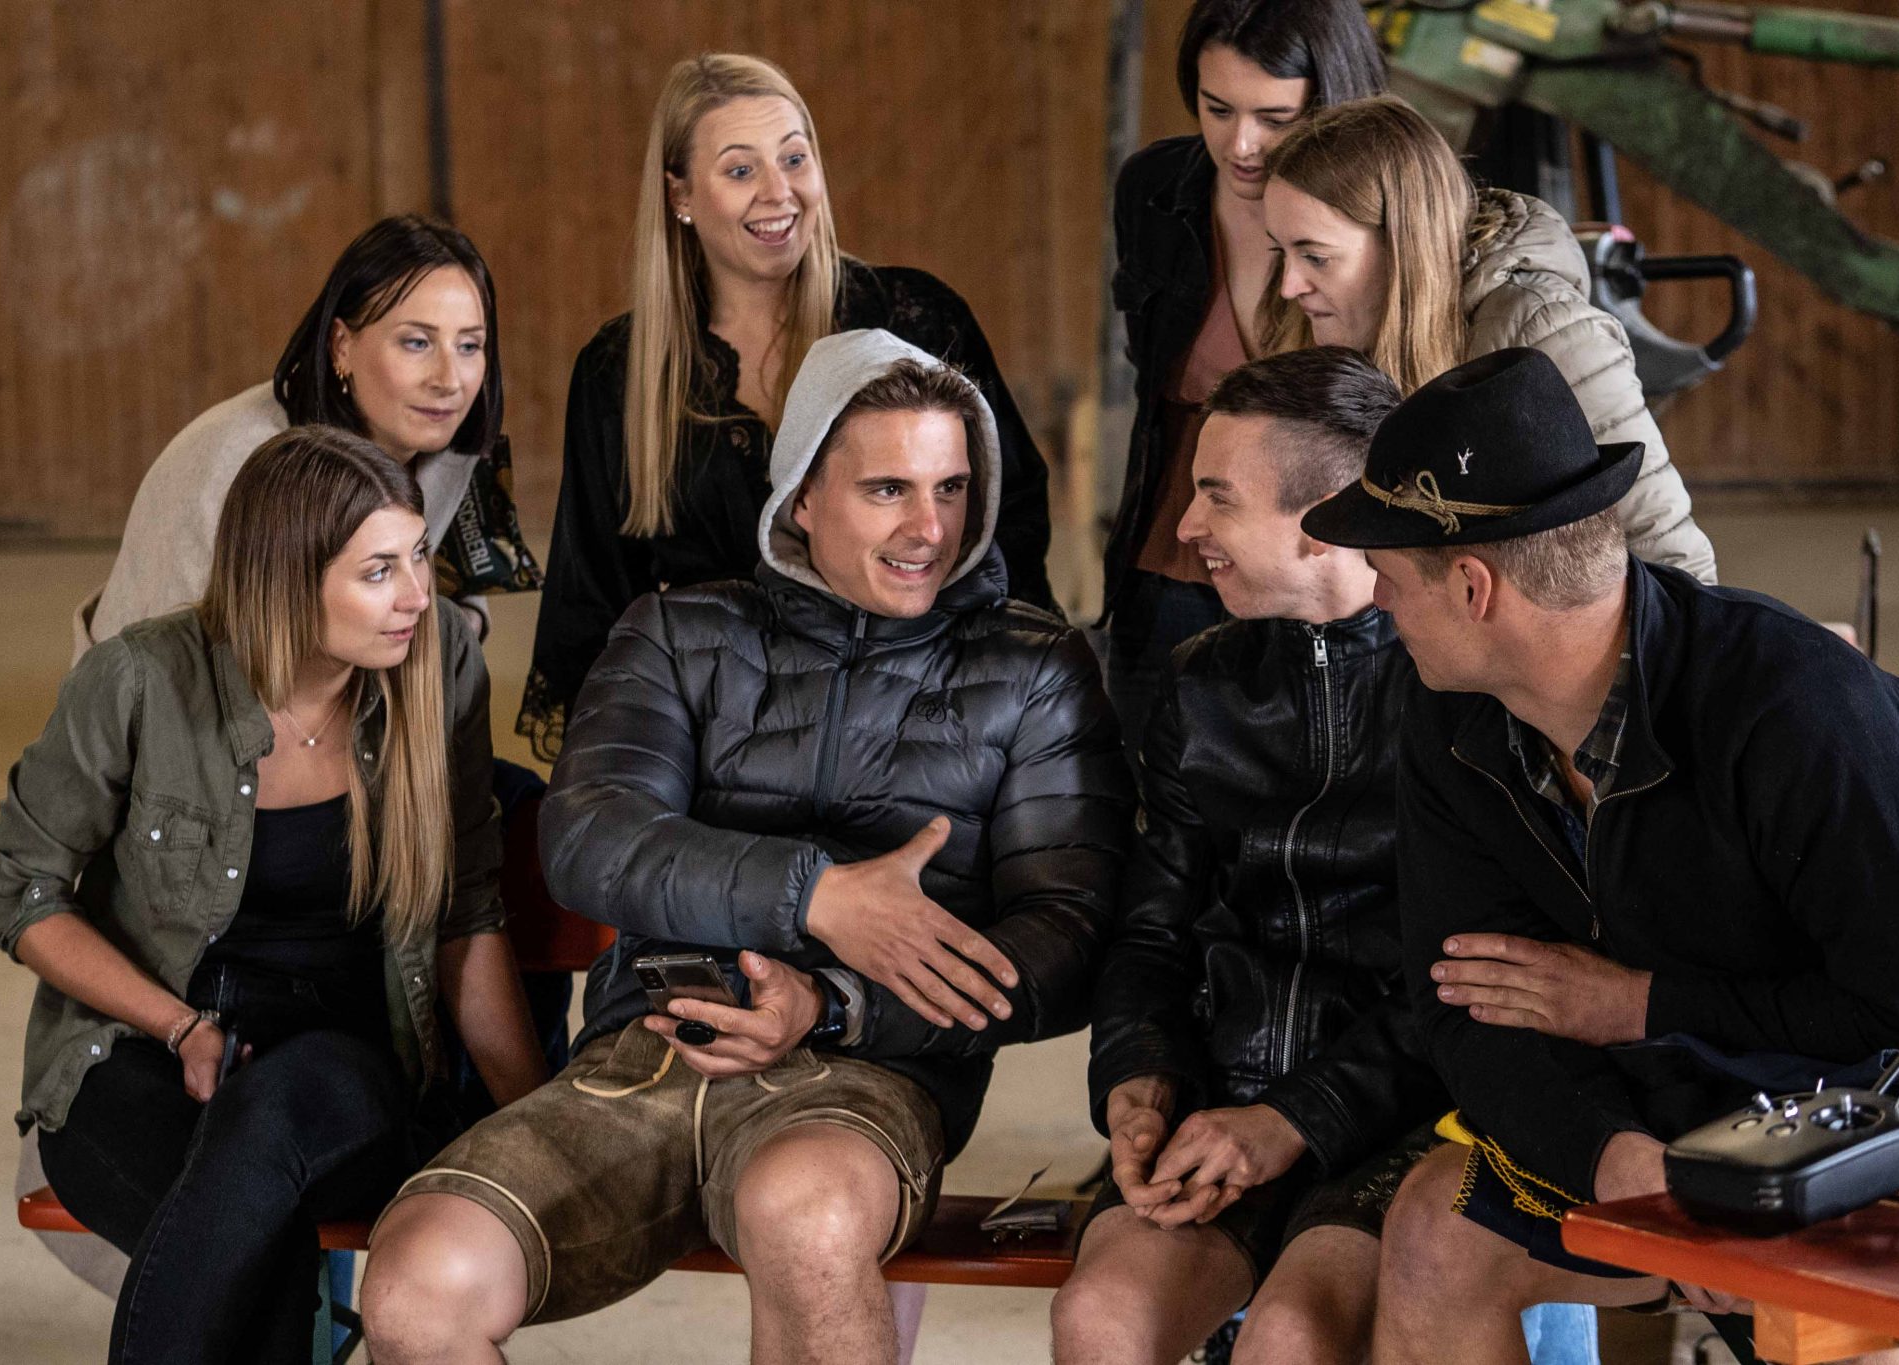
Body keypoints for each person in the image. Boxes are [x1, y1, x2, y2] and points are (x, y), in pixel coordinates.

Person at [360, 331, 1130, 1365]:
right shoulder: (677, 633)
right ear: (802, 496)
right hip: (643, 1057)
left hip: (863, 1081)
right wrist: (815, 897)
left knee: (804, 1216)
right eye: (889, 490)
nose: (929, 528)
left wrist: (837, 1002)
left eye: (951, 488)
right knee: (415, 1283)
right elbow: (588, 836)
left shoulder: (1033, 669)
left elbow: (1066, 932)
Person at [1294, 348, 1899, 1365]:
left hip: (1852, 1123)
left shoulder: (1800, 709)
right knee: (1436, 1233)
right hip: (1640, 1120)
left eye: (1389, 576)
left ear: (1473, 586)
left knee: (1821, 1324)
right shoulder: (1449, 716)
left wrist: (1644, 1006)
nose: (1377, 604)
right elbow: (1464, 1008)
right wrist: (1614, 1157)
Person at [0, 427, 549, 1364]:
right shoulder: (141, 679)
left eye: (417, 557)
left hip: (340, 1066)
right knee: (257, 1255)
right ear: (285, 580)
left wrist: (541, 1128)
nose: (416, 595)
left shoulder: (437, 667)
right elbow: (18, 886)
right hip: (140, 1051)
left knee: (264, 1135)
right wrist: (180, 1028)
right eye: (379, 571)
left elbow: (466, 914)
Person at [1057, 348, 1443, 1365]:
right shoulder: (1200, 683)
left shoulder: (1460, 691)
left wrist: (1294, 1118)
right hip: (1225, 1097)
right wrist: (1139, 1076)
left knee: (1292, 1337)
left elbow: (1467, 980)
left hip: (1411, 1113)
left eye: (1216, 497)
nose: (1185, 526)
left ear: (1323, 521)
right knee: (1100, 1318)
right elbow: (1152, 931)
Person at [519, 52, 1056, 761]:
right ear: (680, 194)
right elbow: (594, 599)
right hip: (713, 744)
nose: (780, 193)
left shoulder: (913, 319)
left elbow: (1009, 522)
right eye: (741, 170)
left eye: (795, 159)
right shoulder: (619, 370)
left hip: (918, 725)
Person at [1259, 96, 1715, 589]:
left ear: (1405, 247)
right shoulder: (1329, 325)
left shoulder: (1546, 330)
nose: (1289, 286)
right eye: (1282, 253)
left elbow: (1669, 554)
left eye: (1316, 258)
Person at [1101, 0, 1388, 748]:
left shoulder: (1383, 202)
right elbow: (1152, 383)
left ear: (1329, 100)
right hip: (1173, 553)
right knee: (1155, 774)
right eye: (1217, 109)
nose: (1243, 145)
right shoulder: (1154, 190)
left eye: (1275, 117)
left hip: (1330, 571)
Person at [77, 213, 538, 662]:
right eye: (416, 342)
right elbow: (167, 669)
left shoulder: (444, 442)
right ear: (342, 345)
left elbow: (456, 589)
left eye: (469, 345)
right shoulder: (237, 463)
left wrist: (444, 637)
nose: (449, 380)